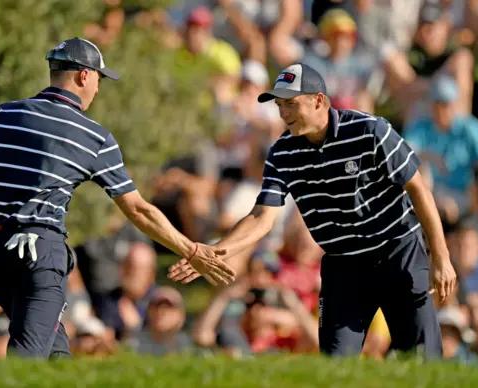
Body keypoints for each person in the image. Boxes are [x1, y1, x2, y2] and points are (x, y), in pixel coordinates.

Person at [0, 37, 236, 359]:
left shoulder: (3, 114)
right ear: (84, 76)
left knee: (57, 357)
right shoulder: (95, 137)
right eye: (99, 79)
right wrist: (191, 249)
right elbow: (138, 209)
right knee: (27, 360)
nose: (98, 88)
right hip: (39, 254)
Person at [169, 63, 457, 358]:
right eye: (280, 105)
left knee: (420, 358)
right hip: (344, 265)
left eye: (291, 104)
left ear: (319, 100)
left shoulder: (371, 130)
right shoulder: (282, 153)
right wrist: (217, 252)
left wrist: (441, 256)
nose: (283, 114)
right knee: (335, 363)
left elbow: (418, 189)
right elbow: (261, 217)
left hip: (399, 253)